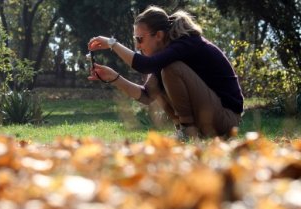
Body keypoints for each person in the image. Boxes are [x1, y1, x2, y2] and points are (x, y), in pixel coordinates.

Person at [87, 6, 244, 140]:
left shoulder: (186, 43)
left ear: (159, 35)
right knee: (160, 81)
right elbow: (147, 95)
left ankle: (187, 130)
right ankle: (185, 130)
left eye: (139, 39)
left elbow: (144, 66)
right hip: (212, 115)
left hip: (226, 118)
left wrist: (112, 44)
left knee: (171, 69)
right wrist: (113, 77)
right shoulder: (166, 54)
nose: (138, 46)